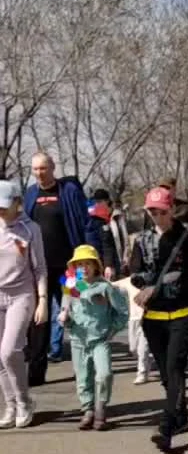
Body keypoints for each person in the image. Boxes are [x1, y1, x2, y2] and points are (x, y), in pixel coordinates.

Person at [129, 186, 188, 453]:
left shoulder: (187, 238)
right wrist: (145, 285)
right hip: (153, 316)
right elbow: (135, 272)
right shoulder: (141, 239)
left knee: (175, 369)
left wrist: (156, 287)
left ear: (171, 210)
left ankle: (166, 427)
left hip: (181, 313)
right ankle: (181, 417)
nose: (157, 216)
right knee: (166, 374)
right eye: (152, 211)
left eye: (161, 211)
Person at [23, 152, 98, 385]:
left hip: (71, 269)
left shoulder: (69, 192)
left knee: (79, 310)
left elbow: (87, 225)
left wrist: (92, 261)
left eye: (43, 168)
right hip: (40, 269)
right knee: (39, 320)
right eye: (35, 169)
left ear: (52, 168)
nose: (39, 173)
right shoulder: (31, 194)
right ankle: (36, 373)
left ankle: (86, 365)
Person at [58, 244, 129, 430]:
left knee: (104, 374)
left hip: (100, 339)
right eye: (79, 264)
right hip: (78, 339)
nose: (83, 268)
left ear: (96, 265)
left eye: (87, 263)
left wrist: (112, 330)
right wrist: (64, 318)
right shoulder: (72, 285)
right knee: (83, 378)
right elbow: (66, 308)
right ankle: (87, 409)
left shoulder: (104, 287)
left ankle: (100, 409)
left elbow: (122, 312)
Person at [0, 179, 48, 428]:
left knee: (9, 351)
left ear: (17, 203)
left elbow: (40, 268)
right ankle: (9, 405)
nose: (1, 211)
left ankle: (24, 400)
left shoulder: (31, 229)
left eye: (5, 206)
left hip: (21, 295)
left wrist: (42, 301)